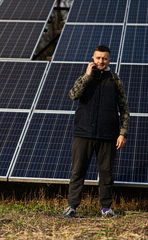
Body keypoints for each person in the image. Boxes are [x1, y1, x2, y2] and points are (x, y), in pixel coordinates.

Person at [63, 45, 130, 218]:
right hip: (83, 133)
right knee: (77, 171)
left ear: (109, 60)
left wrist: (122, 133)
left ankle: (106, 208)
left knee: (106, 173)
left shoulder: (115, 80)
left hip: (108, 135)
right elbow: (72, 95)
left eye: (104, 58)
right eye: (98, 58)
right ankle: (72, 207)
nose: (101, 61)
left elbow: (124, 108)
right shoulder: (84, 78)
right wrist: (87, 76)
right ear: (93, 59)